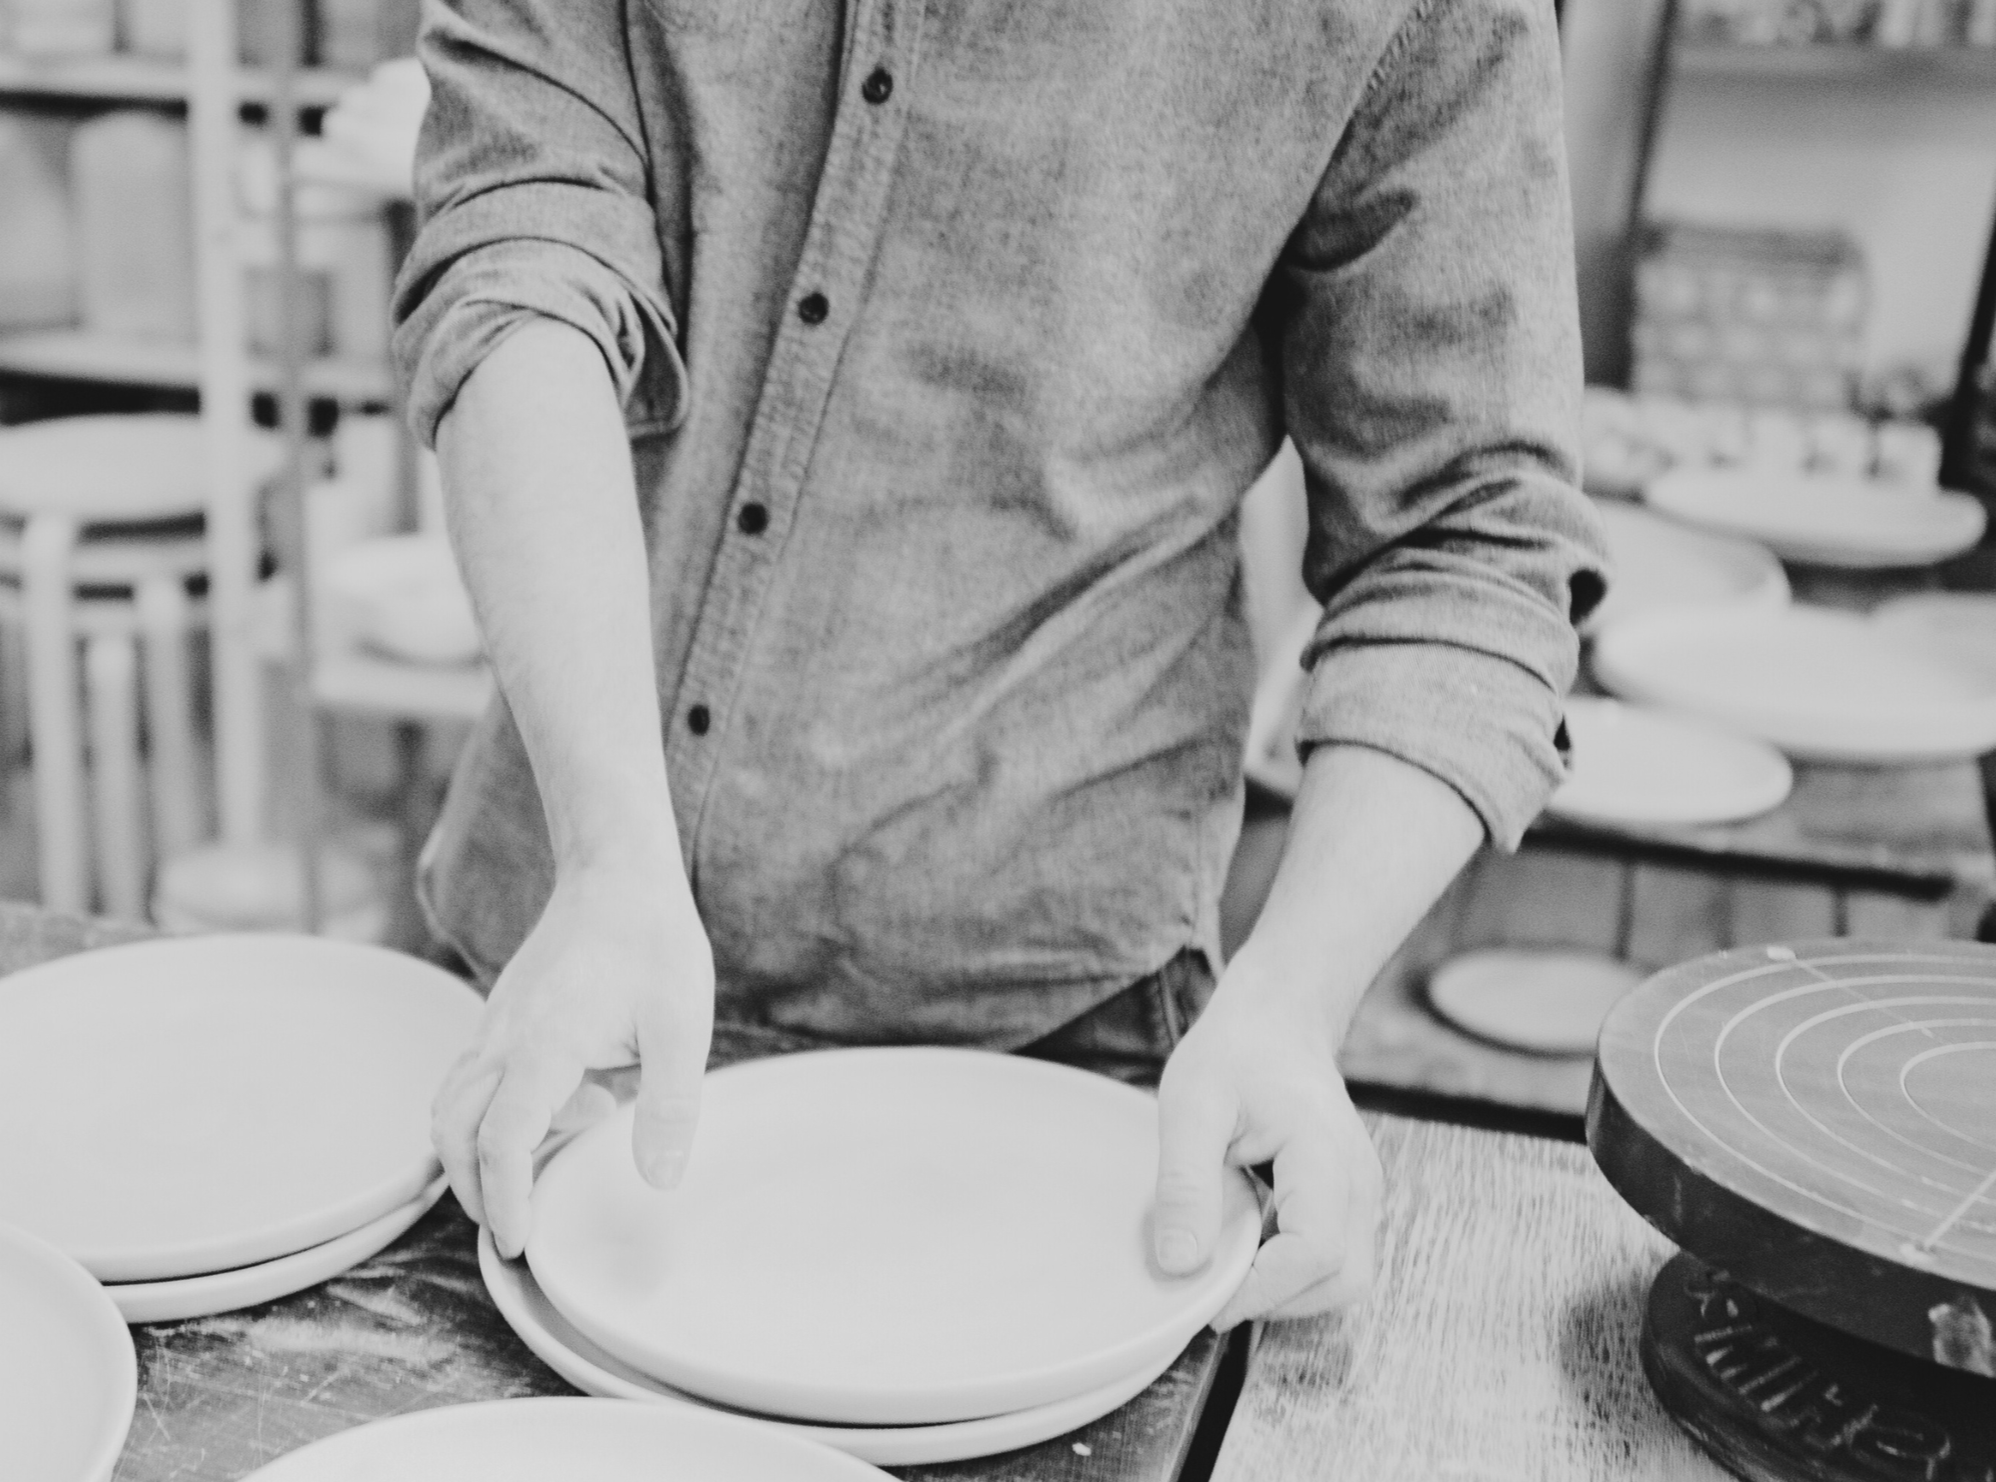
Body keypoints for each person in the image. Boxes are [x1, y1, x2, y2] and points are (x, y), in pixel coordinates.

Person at [395, 0, 1604, 1327]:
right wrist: (610, 852)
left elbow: (1468, 529)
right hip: (554, 975)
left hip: (1054, 1071)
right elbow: (515, 257)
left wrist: (1296, 997)